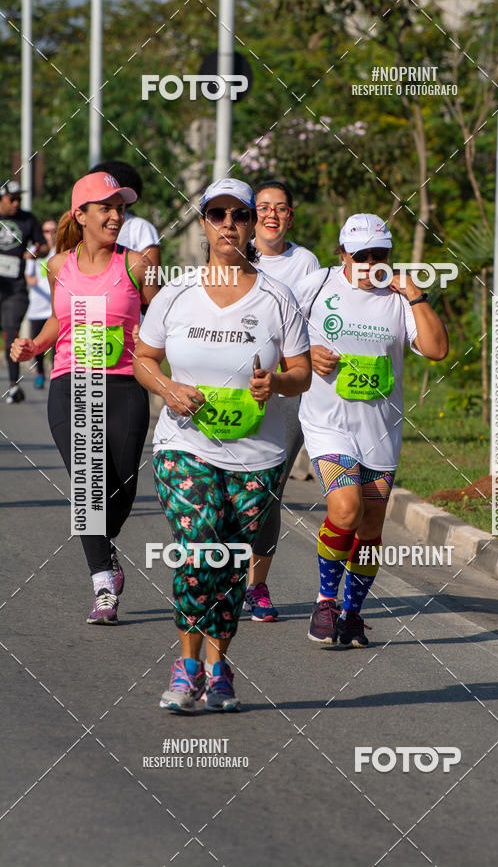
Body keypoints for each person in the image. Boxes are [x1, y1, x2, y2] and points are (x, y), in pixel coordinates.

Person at [134, 177, 311, 713]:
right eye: (218, 214)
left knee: (232, 563)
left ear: (253, 225)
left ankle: (218, 663)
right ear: (204, 223)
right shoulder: (176, 293)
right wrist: (168, 388)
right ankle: (187, 665)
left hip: (257, 454)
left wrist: (275, 384)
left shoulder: (278, 296)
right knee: (200, 545)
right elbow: (143, 358)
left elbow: (301, 371)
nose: (229, 223)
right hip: (184, 445)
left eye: (240, 214)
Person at [11, 171, 158, 623]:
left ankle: (104, 551)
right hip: (72, 383)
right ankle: (102, 583)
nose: (117, 216)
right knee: (89, 485)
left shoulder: (136, 265)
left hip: (125, 386)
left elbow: (169, 312)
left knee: (123, 487)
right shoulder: (58, 266)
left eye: (121, 209)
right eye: (107, 208)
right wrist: (36, 344)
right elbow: (61, 319)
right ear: (82, 214)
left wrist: (151, 336)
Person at [295, 213, 448, 647]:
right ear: (343, 254)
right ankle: (325, 601)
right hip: (328, 424)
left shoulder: (400, 298)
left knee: (370, 526)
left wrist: (415, 294)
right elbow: (277, 331)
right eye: (361, 256)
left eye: (379, 255)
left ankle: (352, 613)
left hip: (379, 430)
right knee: (345, 510)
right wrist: (307, 352)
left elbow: (437, 349)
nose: (370, 264)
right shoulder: (318, 285)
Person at [245, 179, 321, 622]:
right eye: (263, 207)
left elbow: (315, 322)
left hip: (287, 389)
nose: (271, 214)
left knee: (269, 491)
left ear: (290, 215)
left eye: (281, 208)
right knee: (226, 488)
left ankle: (257, 586)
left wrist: (322, 350)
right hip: (233, 389)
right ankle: (220, 579)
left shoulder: (305, 261)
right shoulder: (234, 255)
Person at [0, 180, 48, 403]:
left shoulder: (27, 219)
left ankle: (13, 386)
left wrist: (36, 252)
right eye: (12, 199)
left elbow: (43, 245)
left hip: (15, 290)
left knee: (11, 333)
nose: (17, 203)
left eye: (19, 198)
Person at [90, 160, 161, 269]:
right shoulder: (87, 225)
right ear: (80, 216)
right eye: (105, 208)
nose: (115, 218)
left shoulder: (140, 227)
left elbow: (152, 278)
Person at [24, 218, 57, 388]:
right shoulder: (34, 251)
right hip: (37, 307)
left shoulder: (60, 252)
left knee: (57, 344)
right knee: (39, 344)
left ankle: (55, 373)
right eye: (45, 231)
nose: (49, 235)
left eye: (53, 231)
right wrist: (31, 281)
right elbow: (28, 275)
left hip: (55, 308)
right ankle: (40, 373)